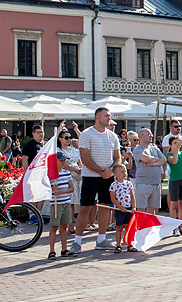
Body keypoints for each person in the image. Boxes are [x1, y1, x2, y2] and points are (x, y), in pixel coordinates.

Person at [75, 108, 121, 252]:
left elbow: (117, 157)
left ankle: (102, 239)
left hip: (108, 176)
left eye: (110, 116)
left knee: (105, 206)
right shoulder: (86, 134)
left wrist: (110, 170)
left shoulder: (113, 136)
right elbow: (85, 158)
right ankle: (77, 241)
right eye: (106, 116)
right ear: (97, 117)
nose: (109, 118)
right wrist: (100, 171)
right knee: (85, 208)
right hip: (90, 176)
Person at [48, 151, 76, 259]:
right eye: (61, 160)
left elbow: (72, 188)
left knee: (64, 226)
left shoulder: (66, 172)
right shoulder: (51, 174)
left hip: (65, 202)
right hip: (56, 203)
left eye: (64, 160)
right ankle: (52, 250)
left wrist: (61, 192)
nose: (63, 162)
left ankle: (64, 249)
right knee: (54, 226)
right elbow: (47, 188)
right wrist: (53, 190)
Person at [132, 129, 165, 214]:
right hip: (143, 183)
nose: (151, 136)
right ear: (141, 136)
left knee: (152, 210)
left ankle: (150, 227)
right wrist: (157, 160)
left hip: (156, 183)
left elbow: (164, 159)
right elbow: (147, 159)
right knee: (141, 210)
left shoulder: (154, 148)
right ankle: (140, 227)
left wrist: (154, 163)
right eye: (148, 134)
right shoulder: (137, 149)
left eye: (151, 134)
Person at [164, 137, 182, 234]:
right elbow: (174, 161)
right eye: (174, 143)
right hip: (174, 181)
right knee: (173, 205)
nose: (177, 144)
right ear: (171, 145)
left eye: (178, 142)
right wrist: (176, 150)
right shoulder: (168, 155)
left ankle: (181, 226)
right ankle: (173, 227)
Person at [108, 164, 137, 253]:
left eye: (125, 171)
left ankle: (130, 244)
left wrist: (133, 207)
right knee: (119, 227)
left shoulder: (129, 183)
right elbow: (113, 199)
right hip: (119, 210)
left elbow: (132, 196)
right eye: (121, 172)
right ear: (115, 174)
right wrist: (121, 208)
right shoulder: (114, 185)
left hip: (128, 208)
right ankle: (118, 245)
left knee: (128, 227)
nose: (124, 173)